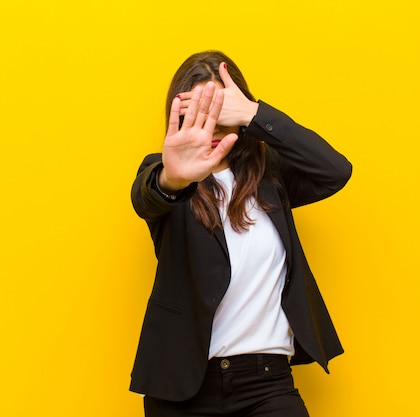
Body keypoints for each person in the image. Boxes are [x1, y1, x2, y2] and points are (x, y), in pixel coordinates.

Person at [130, 50, 352, 417]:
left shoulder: (271, 177)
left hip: (267, 384)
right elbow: (147, 199)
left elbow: (335, 170)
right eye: (198, 114)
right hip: (185, 391)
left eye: (219, 112)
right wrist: (175, 177)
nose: (211, 127)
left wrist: (254, 114)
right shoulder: (167, 178)